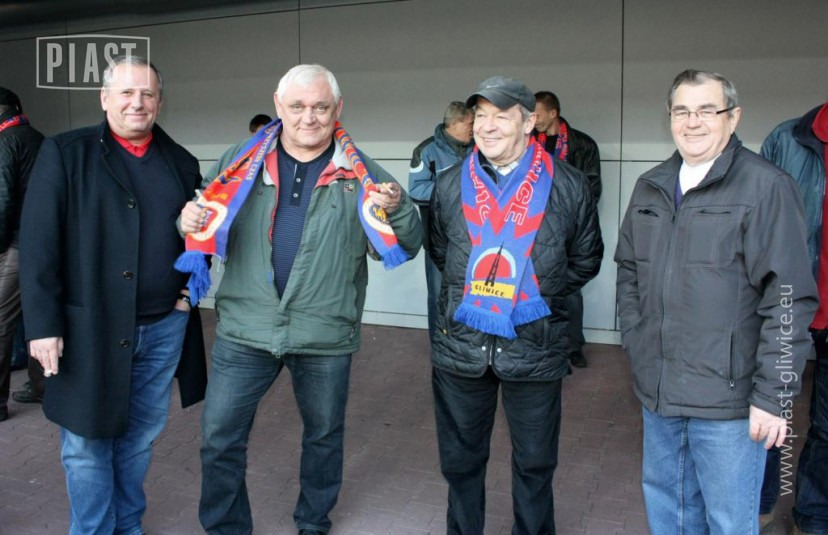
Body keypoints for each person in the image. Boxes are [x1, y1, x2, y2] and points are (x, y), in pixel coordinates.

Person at [181, 64, 422, 535]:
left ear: (338, 108)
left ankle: (313, 522)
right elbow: (201, 216)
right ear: (278, 105)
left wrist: (398, 210)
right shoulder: (240, 161)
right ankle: (226, 527)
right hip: (245, 329)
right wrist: (185, 221)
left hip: (324, 332)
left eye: (320, 107)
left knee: (323, 437)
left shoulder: (361, 171)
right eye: (297, 106)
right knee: (219, 437)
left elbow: (407, 243)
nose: (308, 117)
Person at [614, 69, 818, 534]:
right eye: (682, 111)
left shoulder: (766, 187)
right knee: (670, 517)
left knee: (729, 523)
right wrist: (637, 340)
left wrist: (775, 395)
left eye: (707, 110)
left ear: (733, 116)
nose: (693, 122)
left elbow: (788, 297)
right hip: (659, 394)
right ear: (669, 117)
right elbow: (628, 271)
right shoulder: (650, 186)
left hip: (730, 404)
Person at [19, 55, 207, 534]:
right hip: (88, 328)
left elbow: (201, 238)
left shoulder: (182, 163)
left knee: (139, 439)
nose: (136, 103)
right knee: (86, 445)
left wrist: (186, 297)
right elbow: (38, 245)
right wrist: (42, 326)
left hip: (163, 326)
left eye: (147, 93)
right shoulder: (65, 153)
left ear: (159, 101)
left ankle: (127, 526)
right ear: (105, 98)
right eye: (126, 92)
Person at [428, 75, 603, 534]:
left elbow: (587, 258)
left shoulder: (568, 184)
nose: (486, 127)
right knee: (460, 463)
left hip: (535, 344)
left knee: (535, 464)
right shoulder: (449, 184)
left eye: (501, 116)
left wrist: (534, 295)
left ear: (529, 122)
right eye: (480, 116)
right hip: (462, 346)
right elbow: (442, 252)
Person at [759, 100, 828, 535]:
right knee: (769, 413)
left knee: (827, 427)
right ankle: (758, 510)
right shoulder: (788, 139)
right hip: (788, 304)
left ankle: (813, 519)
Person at [534, 90, 601, 368]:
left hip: (569, 229)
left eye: (537, 114)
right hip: (532, 225)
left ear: (553, 113)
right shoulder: (528, 142)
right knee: (534, 285)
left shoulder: (583, 144)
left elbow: (592, 189)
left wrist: (567, 216)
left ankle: (573, 346)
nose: (533, 119)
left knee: (570, 289)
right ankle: (538, 342)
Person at [408, 101, 473, 339]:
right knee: (438, 294)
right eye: (470, 123)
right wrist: (455, 191)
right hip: (439, 239)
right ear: (455, 124)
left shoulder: (480, 147)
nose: (475, 128)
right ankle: (438, 343)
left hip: (474, 237)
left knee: (471, 292)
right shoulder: (426, 150)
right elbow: (416, 190)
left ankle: (465, 343)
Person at [0, 87, 43, 421]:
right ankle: (42, 385)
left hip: (16, 243)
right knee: (39, 314)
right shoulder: (39, 138)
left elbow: (2, 199)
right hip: (43, 241)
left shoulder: (6, 140)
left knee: (1, 320)